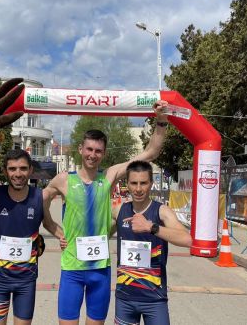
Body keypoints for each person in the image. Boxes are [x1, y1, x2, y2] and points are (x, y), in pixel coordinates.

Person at [43, 101, 169, 325]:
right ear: (80, 149)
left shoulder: (109, 176)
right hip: (72, 268)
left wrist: (161, 119)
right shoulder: (64, 180)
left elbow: (151, 153)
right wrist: (54, 228)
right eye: (89, 149)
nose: (93, 155)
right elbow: (38, 201)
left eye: (98, 151)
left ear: (104, 153)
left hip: (100, 270)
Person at [0, 149, 65, 325]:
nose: (18, 174)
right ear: (6, 171)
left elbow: (49, 224)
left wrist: (66, 238)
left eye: (22, 168)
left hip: (26, 281)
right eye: (12, 169)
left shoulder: (39, 197)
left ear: (30, 171)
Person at [113, 161, 192, 325]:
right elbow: (99, 232)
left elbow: (188, 239)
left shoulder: (161, 211)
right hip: (124, 298)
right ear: (127, 184)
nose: (138, 189)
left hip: (154, 299)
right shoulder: (119, 209)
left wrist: (151, 227)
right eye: (134, 183)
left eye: (143, 183)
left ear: (151, 183)